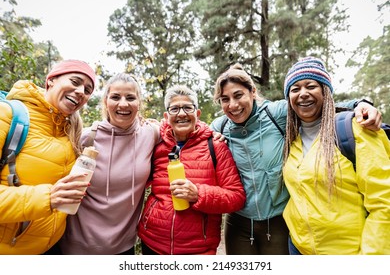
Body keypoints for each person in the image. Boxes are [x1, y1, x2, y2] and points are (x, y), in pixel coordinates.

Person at [210, 63, 382, 255]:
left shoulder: (276, 113)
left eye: (238, 95)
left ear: (253, 92)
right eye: (225, 99)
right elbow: (195, 140)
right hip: (240, 221)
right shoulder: (220, 126)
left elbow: (317, 103)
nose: (233, 105)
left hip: (277, 220)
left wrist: (361, 104)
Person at [282, 56, 390, 255]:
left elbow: (384, 203)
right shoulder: (293, 141)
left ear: (325, 92)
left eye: (311, 86)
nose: (303, 94)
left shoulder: (355, 129)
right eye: (295, 89)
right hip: (299, 250)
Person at [0, 59, 96, 254]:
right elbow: (51, 197)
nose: (80, 92)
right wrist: (48, 198)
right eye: (75, 82)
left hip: (51, 249)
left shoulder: (72, 131)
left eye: (87, 90)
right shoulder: (8, 115)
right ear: (51, 80)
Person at [137, 85, 246, 255]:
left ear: (197, 113)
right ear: (166, 116)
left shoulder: (215, 146)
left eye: (188, 107)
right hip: (152, 243)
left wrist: (198, 194)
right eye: (175, 109)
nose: (181, 114)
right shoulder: (156, 144)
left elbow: (236, 197)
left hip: (197, 250)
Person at [60, 73, 160, 254]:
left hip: (123, 247)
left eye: (130, 97)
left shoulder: (151, 133)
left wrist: (214, 135)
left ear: (139, 103)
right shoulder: (85, 137)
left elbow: (184, 131)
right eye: (115, 97)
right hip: (76, 247)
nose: (123, 104)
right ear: (106, 101)